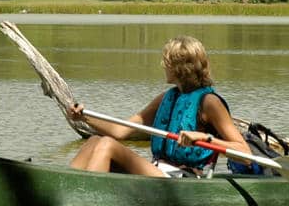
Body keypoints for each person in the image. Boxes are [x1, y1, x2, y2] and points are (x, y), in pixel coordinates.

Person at [67, 36, 251, 177]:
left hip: (184, 178)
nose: (163, 66)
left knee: (107, 145)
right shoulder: (167, 97)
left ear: (181, 68)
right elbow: (120, 131)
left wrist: (205, 138)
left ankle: (86, 196)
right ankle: (66, 188)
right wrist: (84, 117)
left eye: (167, 62)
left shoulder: (210, 102)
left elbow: (244, 153)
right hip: (158, 170)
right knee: (94, 142)